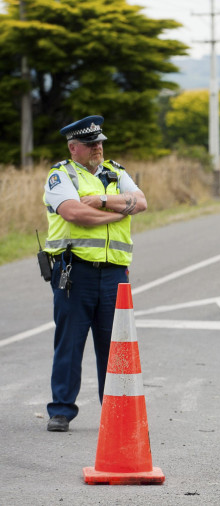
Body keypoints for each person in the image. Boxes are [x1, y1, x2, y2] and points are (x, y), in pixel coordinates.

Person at [42, 115, 147, 432]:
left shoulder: (116, 172)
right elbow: (74, 213)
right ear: (74, 148)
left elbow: (140, 202)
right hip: (75, 273)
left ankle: (114, 409)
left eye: (100, 142)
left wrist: (102, 200)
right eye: (90, 144)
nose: (97, 147)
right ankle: (61, 410)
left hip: (115, 274)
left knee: (113, 345)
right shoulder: (61, 177)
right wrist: (115, 215)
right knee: (70, 344)